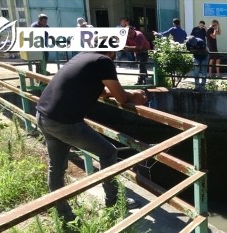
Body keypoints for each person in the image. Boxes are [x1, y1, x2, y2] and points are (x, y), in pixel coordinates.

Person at [35, 51, 148, 222]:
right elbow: (122, 99)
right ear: (112, 50)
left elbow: (100, 91)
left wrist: (114, 94)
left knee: (56, 169)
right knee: (108, 152)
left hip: (43, 116)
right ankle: (114, 202)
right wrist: (135, 96)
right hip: (64, 123)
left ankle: (64, 215)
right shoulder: (104, 61)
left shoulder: (83, 56)